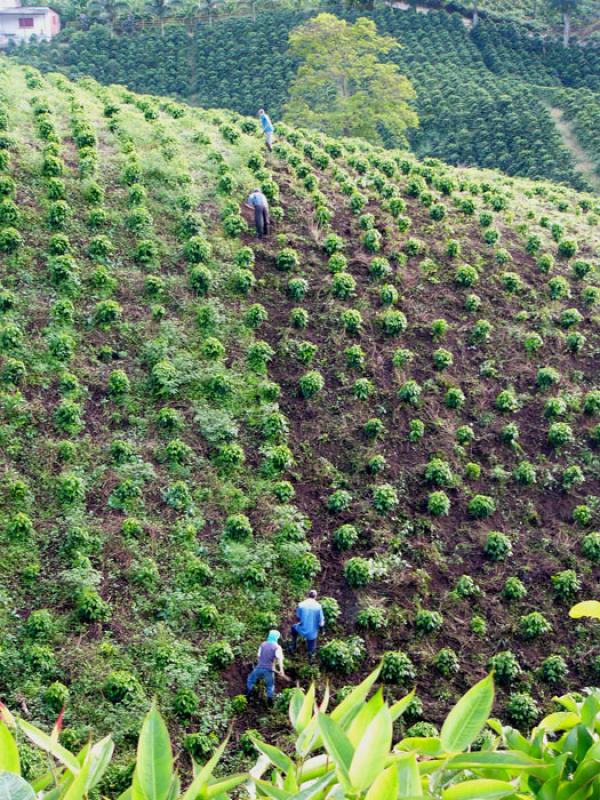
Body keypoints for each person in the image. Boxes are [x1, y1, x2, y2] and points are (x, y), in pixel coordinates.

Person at [246, 630, 286, 706]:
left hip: (259, 667)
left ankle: (248, 694)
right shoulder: (277, 647)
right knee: (270, 686)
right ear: (277, 637)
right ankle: (270, 701)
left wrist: (260, 664)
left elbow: (258, 656)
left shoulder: (263, 644)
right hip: (269, 670)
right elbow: (280, 659)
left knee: (250, 680)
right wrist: (281, 671)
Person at [291, 590, 325, 663]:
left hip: (302, 629)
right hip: (311, 633)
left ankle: (293, 647)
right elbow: (321, 623)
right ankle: (310, 660)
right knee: (311, 645)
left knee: (293, 628)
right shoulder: (318, 607)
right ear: (316, 597)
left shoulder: (301, 604)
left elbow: (298, 616)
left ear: (308, 595)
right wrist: (322, 631)